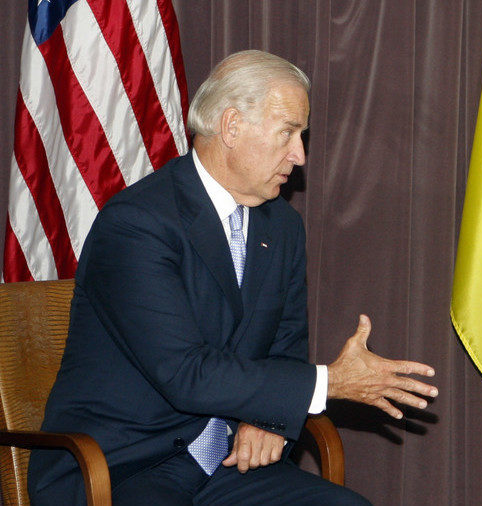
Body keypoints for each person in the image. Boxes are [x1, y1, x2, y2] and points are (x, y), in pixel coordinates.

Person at [28, 50, 438, 506]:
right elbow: (186, 373)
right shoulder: (137, 225)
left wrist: (266, 418)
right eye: (288, 133)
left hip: (226, 461)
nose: (300, 155)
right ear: (231, 126)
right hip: (122, 467)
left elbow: (284, 349)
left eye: (301, 136)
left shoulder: (280, 227)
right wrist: (329, 384)